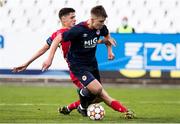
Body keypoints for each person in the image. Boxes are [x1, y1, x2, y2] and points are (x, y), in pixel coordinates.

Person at [42, 5, 134, 119]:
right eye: (100, 21)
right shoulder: (79, 29)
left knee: (99, 96)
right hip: (78, 65)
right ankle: (83, 105)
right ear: (92, 19)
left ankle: (74, 107)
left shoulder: (101, 27)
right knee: (98, 90)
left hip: (92, 64)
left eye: (103, 21)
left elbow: (107, 37)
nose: (102, 24)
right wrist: (49, 59)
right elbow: (57, 39)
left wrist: (110, 51)